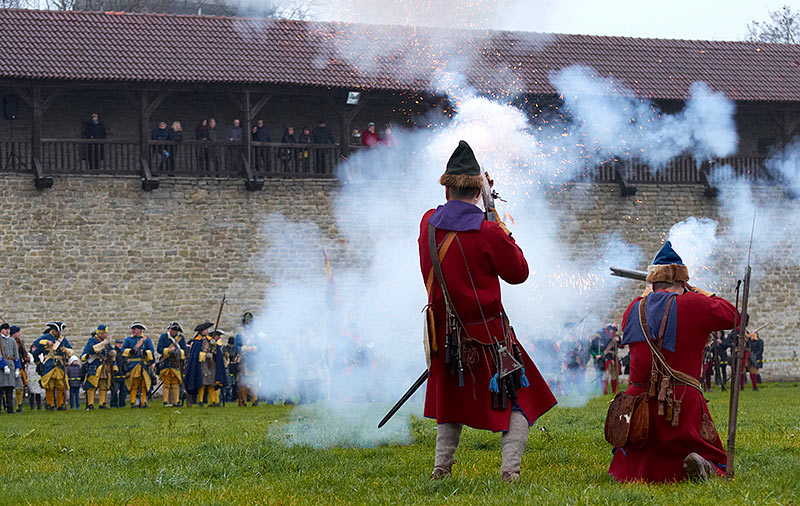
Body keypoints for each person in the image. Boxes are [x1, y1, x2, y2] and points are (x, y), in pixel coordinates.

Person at [418, 141, 556, 482]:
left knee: (450, 403)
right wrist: (494, 216)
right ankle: (510, 471)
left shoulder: (428, 224)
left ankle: (441, 468)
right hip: (489, 335)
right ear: (479, 190)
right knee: (523, 398)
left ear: (447, 187)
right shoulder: (489, 231)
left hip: (446, 334)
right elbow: (519, 272)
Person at [608, 240, 738, 482]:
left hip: (638, 411)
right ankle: (704, 468)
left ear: (653, 282)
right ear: (682, 282)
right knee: (713, 461)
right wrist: (698, 292)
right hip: (677, 404)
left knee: (632, 465)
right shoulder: (695, 303)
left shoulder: (633, 308)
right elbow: (734, 314)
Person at [31, 322, 72, 410]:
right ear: (53, 330)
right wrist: (47, 342)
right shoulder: (46, 337)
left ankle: (60, 404)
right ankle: (50, 404)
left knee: (60, 385)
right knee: (49, 385)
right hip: (49, 364)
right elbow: (36, 344)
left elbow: (71, 350)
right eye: (57, 331)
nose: (59, 333)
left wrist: (67, 350)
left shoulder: (63, 340)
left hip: (60, 364)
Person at [185, 322, 225, 407]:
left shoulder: (210, 340)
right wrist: (205, 355)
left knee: (212, 383)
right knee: (202, 383)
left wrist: (214, 348)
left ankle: (213, 402)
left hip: (211, 364)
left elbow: (216, 351)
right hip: (202, 364)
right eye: (205, 330)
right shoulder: (197, 341)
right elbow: (195, 354)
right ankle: (200, 401)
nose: (207, 331)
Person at [80, 325, 117, 410]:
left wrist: (112, 353)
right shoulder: (92, 340)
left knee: (103, 385)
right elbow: (92, 350)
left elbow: (111, 351)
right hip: (94, 364)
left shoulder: (106, 342)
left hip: (104, 365)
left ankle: (102, 403)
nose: (106, 334)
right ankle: (90, 404)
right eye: (104, 333)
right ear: (100, 333)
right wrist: (103, 343)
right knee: (91, 385)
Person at [122, 322, 154, 408]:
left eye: (135, 329)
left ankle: (143, 402)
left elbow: (151, 350)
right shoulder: (128, 339)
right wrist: (130, 351)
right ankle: (133, 402)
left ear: (139, 330)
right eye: (133, 329)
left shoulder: (146, 340)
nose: (133, 331)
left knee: (144, 384)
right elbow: (123, 350)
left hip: (143, 363)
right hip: (133, 364)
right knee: (133, 383)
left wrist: (146, 353)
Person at [156, 322, 187, 408]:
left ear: (176, 331)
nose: (171, 331)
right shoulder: (164, 337)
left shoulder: (181, 338)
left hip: (175, 362)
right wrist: (168, 350)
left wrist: (177, 351)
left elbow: (184, 350)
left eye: (173, 329)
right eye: (170, 329)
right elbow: (159, 348)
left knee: (175, 383)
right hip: (166, 362)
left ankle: (176, 401)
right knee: (166, 383)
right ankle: (166, 402)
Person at [589, 324, 621, 395]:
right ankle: (604, 392)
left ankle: (614, 392)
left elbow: (621, 345)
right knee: (605, 376)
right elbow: (605, 345)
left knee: (614, 376)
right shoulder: (606, 338)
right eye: (611, 330)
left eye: (613, 330)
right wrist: (613, 339)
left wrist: (618, 338)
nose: (612, 331)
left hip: (614, 358)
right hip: (607, 358)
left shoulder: (615, 337)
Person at [0, 323, 22, 414]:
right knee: (1, 389)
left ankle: (10, 408)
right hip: (2, 367)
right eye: (5, 329)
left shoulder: (12, 340)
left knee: (10, 389)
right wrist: (3, 365)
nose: (7, 331)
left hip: (11, 365)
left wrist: (17, 368)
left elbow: (16, 355)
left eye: (8, 329)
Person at [12, 326, 28, 412]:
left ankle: (19, 405)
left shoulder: (20, 343)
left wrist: (26, 357)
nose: (19, 334)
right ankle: (9, 405)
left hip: (20, 366)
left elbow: (22, 354)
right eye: (18, 332)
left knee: (19, 386)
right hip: (10, 365)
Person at [110, 339, 128, 407]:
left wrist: (126, 371)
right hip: (115, 374)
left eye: (121, 343)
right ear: (115, 344)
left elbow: (125, 363)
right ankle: (113, 404)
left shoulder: (123, 352)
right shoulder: (114, 352)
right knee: (115, 390)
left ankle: (122, 403)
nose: (120, 345)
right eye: (118, 343)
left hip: (122, 374)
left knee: (123, 391)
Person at [224, 337, 240, 403]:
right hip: (228, 366)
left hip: (234, 366)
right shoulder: (225, 348)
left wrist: (237, 359)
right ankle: (228, 399)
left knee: (235, 383)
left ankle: (234, 397)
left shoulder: (235, 349)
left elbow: (237, 355)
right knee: (228, 383)